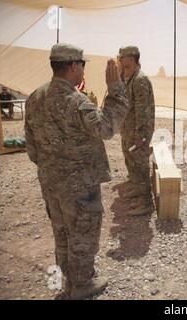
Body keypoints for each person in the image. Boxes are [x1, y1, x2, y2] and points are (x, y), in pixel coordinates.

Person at [24, 43, 130, 299]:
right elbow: (106, 129)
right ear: (73, 66)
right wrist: (116, 90)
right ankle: (82, 285)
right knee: (83, 231)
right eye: (82, 65)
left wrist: (53, 168)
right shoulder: (76, 101)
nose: (83, 71)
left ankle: (69, 280)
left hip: (51, 182)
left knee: (61, 231)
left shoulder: (35, 97)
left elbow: (31, 147)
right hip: (79, 184)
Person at [117, 46, 156, 216]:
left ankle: (145, 202)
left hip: (138, 132)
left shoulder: (140, 80)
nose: (119, 59)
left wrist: (141, 135)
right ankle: (136, 189)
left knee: (140, 165)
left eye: (122, 57)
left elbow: (143, 111)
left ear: (132, 59)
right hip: (128, 129)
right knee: (130, 160)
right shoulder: (127, 77)